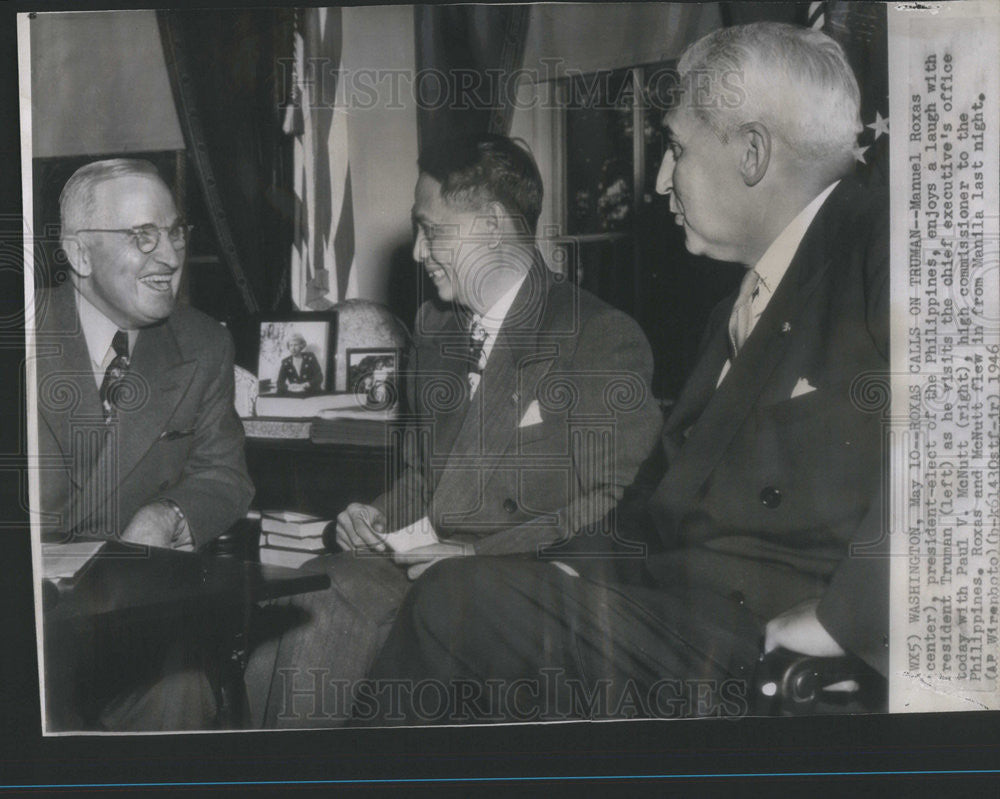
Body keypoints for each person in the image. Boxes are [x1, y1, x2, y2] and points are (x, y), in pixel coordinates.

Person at [364, 22, 889, 723]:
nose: (661, 179)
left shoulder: (883, 241)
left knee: (455, 605)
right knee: (472, 600)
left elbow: (971, 437)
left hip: (761, 648)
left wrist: (845, 619)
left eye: (675, 147)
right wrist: (560, 565)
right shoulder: (733, 312)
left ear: (754, 153)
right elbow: (646, 508)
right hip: (671, 617)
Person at [244, 134, 662, 727]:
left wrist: (474, 554)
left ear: (491, 226)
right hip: (420, 566)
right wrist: (373, 517)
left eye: (431, 230)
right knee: (302, 592)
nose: (417, 252)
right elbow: (424, 476)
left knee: (330, 610)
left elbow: (612, 505)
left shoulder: (597, 336)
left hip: (518, 582)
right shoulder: (436, 329)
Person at [34, 158, 254, 729]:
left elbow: (223, 474)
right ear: (79, 254)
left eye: (175, 231)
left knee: (178, 693)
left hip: (133, 619)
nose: (171, 257)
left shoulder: (203, 345)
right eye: (142, 236)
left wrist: (170, 514)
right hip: (29, 622)